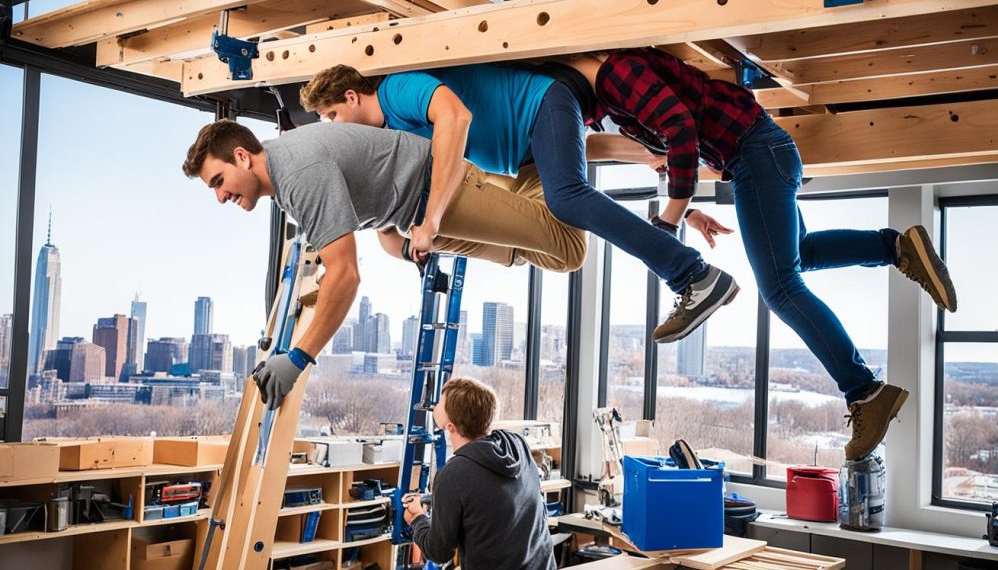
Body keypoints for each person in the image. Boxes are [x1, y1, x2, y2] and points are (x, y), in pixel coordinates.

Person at [562, 47, 958, 459]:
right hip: (759, 153)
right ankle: (897, 247)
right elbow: (657, 148)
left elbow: (680, 128)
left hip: (755, 153)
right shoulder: (614, 98)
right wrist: (690, 212)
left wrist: (672, 217)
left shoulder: (614, 73)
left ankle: (864, 391)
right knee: (798, 255)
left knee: (781, 289)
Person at [299, 63, 739, 344]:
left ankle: (693, 274)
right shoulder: (391, 140)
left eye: (332, 117)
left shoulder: (395, 90)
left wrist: (431, 220)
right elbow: (580, 146)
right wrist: (648, 155)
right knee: (566, 253)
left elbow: (457, 117)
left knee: (567, 198)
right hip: (527, 158)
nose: (334, 129)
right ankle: (679, 263)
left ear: (352, 97)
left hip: (541, 102)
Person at [181, 119, 587, 409]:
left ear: (241, 156)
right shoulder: (286, 179)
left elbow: (347, 274)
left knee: (569, 250)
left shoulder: (297, 173)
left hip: (440, 192)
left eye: (219, 181)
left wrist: (300, 357)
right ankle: (531, 176)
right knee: (523, 253)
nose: (220, 197)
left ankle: (543, 156)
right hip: (415, 216)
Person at [401, 377, 555, 570]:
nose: (435, 406)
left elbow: (439, 552)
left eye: (440, 402)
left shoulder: (452, 475)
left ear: (451, 427)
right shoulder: (517, 445)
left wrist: (417, 519)